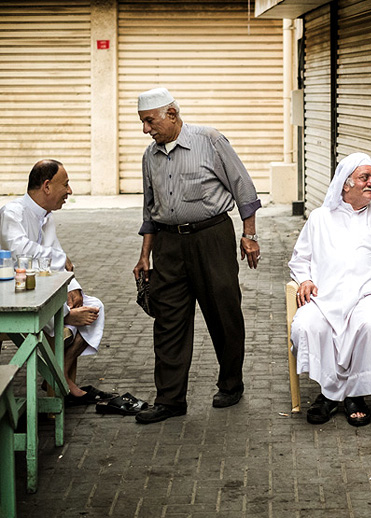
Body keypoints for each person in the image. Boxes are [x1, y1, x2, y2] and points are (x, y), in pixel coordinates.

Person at [132, 87, 261, 424]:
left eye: (149, 121)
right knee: (169, 319)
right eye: (143, 123)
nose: (146, 129)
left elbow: (244, 190)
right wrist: (145, 256)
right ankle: (170, 399)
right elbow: (150, 210)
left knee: (223, 312)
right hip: (167, 244)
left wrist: (249, 236)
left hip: (211, 237)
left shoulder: (210, 140)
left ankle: (231, 383)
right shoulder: (150, 156)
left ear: (171, 114)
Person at [289, 153, 371, 426]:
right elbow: (300, 259)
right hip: (324, 298)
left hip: (368, 297)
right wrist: (304, 279)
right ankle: (328, 394)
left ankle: (356, 395)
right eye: (365, 178)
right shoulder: (319, 218)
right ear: (346, 185)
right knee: (306, 325)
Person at [0, 160, 109, 406]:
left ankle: (56, 378)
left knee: (94, 308)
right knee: (69, 316)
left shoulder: (46, 218)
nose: (69, 191)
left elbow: (56, 257)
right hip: (13, 297)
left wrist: (74, 288)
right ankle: (65, 321)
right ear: (47, 186)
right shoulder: (12, 213)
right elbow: (20, 252)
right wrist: (61, 259)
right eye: (66, 184)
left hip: (41, 290)